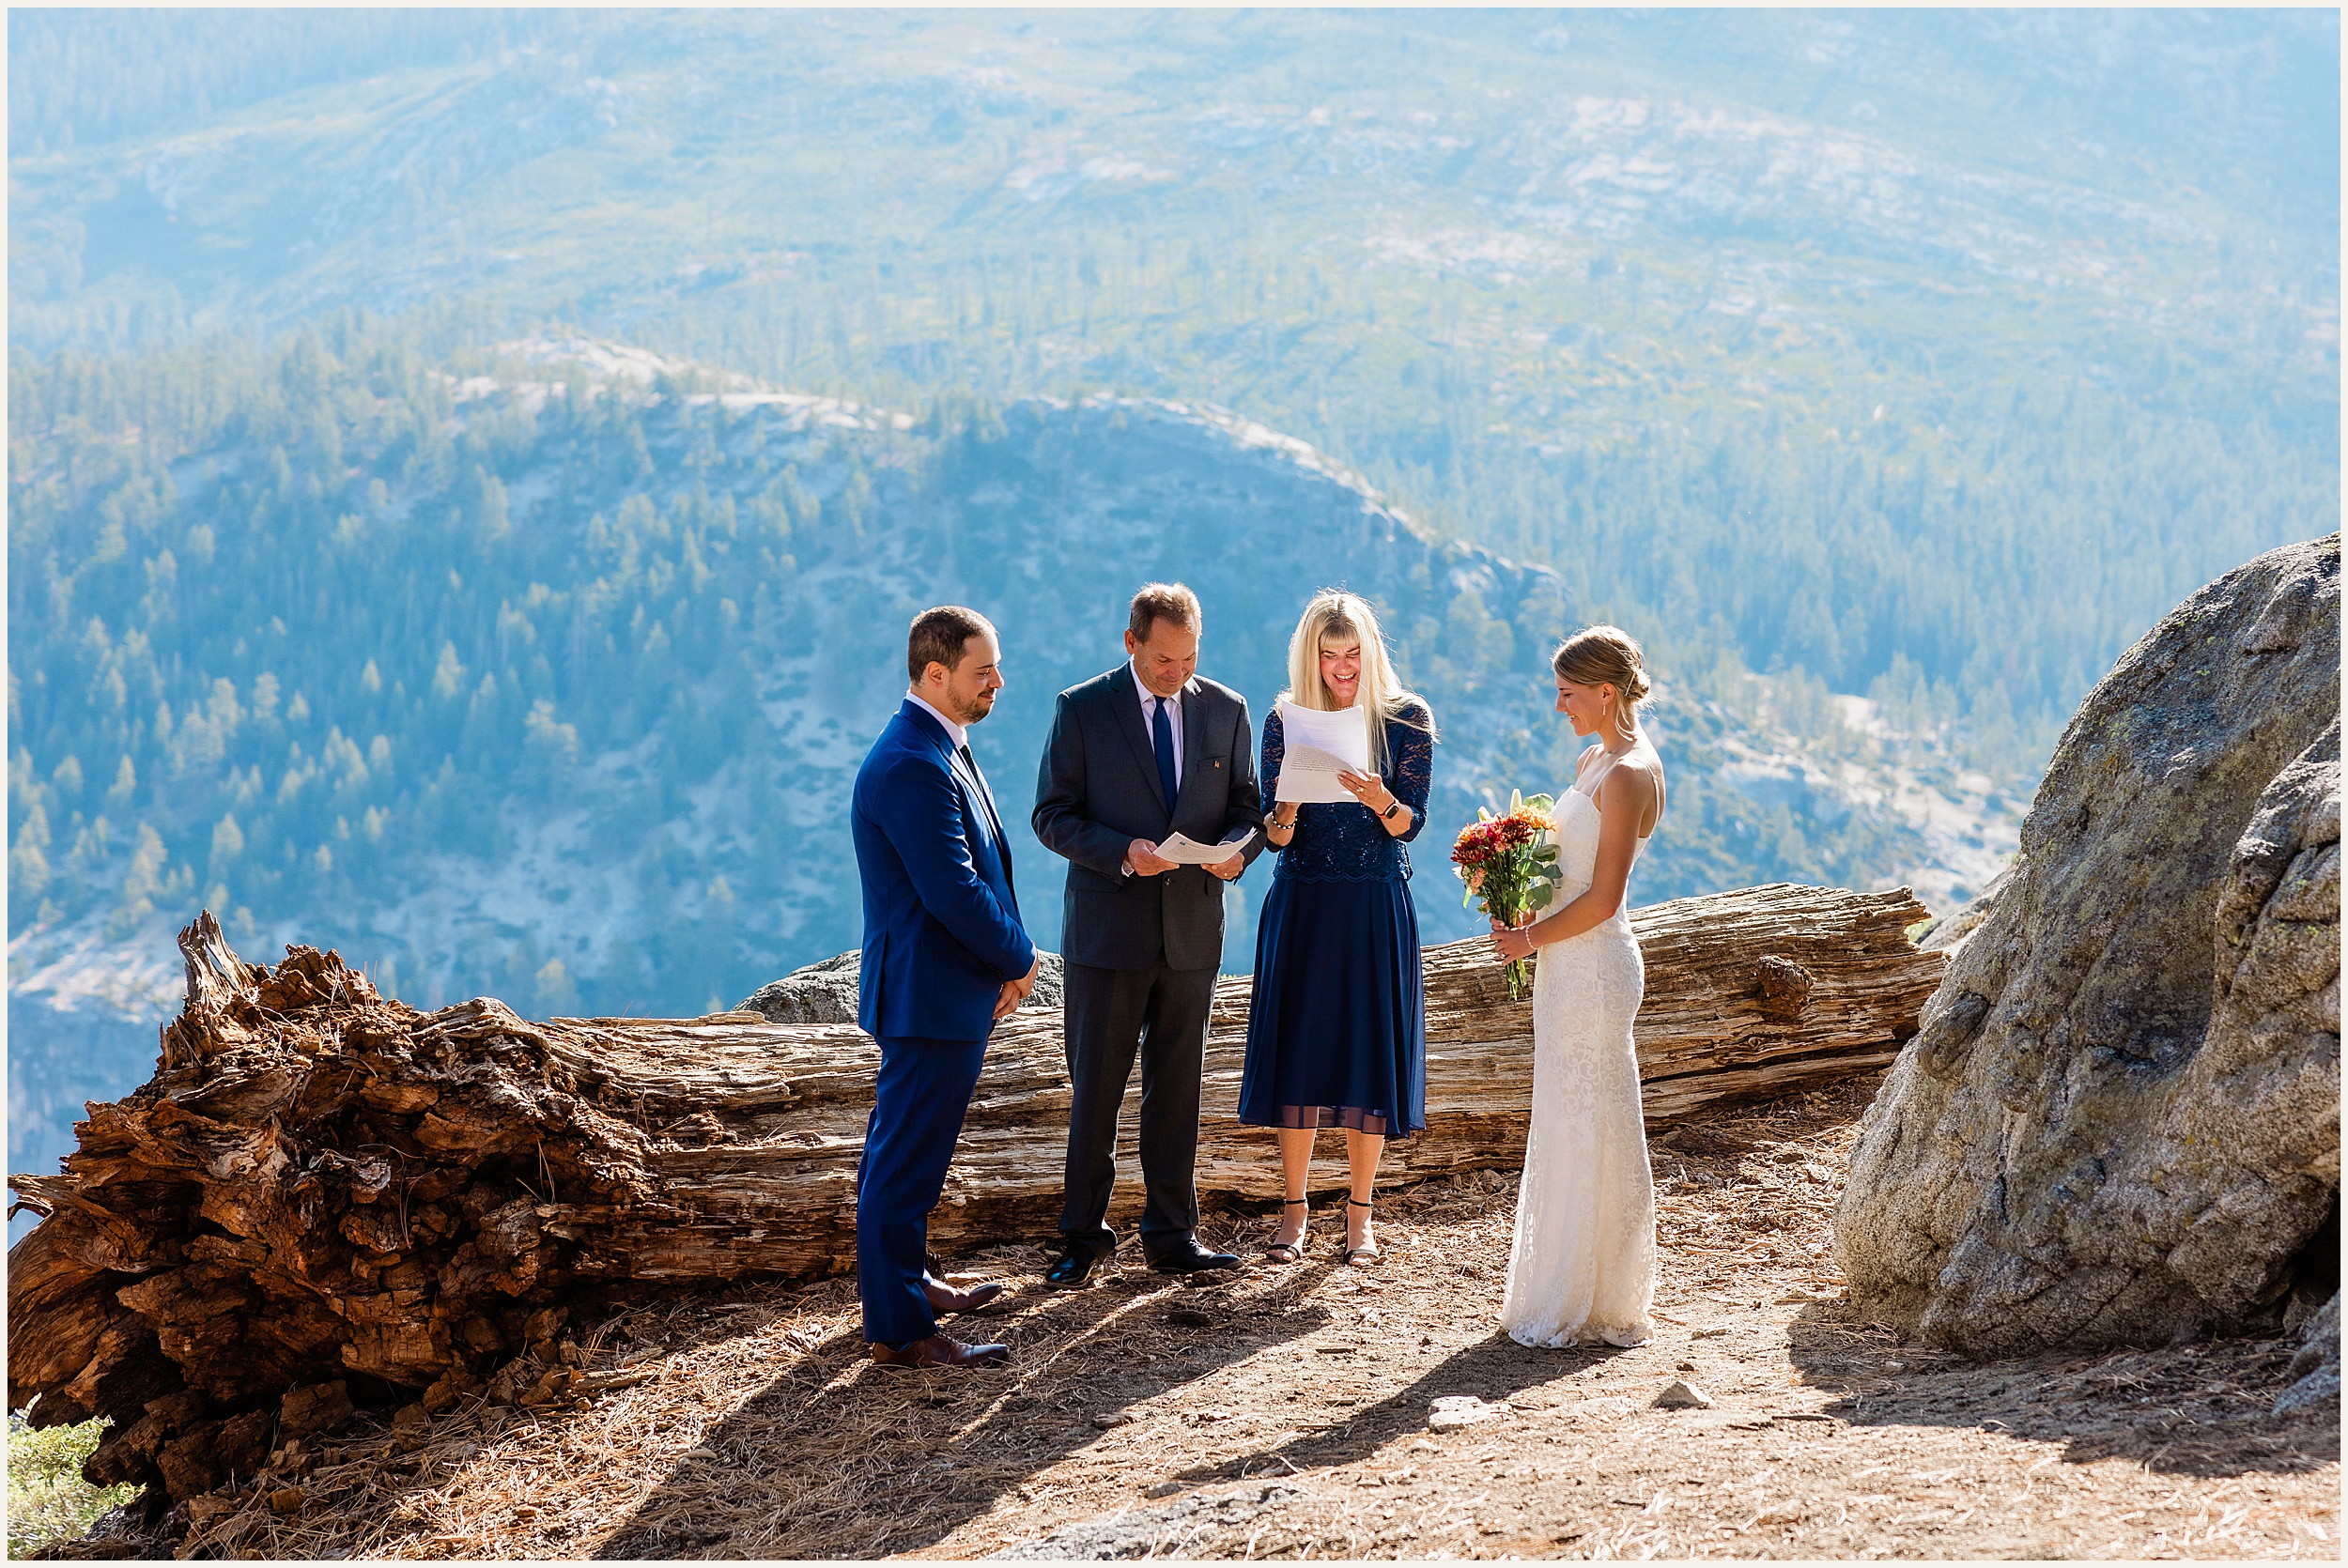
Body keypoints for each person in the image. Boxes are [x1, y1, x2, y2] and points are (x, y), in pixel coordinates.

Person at [1031, 583, 1266, 1287]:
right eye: (1165, 659)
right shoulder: (1082, 709)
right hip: (1108, 933)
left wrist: (1237, 850)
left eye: (1190, 657)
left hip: (1193, 933)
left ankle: (1171, 1236)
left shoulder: (1226, 710)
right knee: (1095, 1092)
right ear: (1131, 642)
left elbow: (1249, 809)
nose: (1179, 672)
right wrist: (1123, 852)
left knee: (1179, 1090)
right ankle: (1081, 1239)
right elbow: (1051, 816)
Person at [849, 606, 1042, 1369]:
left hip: (944, 991)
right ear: (935, 675)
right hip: (929, 995)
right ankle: (899, 1330)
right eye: (982, 670)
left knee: (912, 1153)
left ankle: (913, 1281)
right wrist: (1019, 957)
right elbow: (952, 890)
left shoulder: (937, 744)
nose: (999, 680)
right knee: (902, 1162)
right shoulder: (911, 762)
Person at [1239, 591, 1436, 1268]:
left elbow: (1413, 823)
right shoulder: (1282, 721)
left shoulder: (1408, 718)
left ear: (1370, 653)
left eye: (1353, 654)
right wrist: (1285, 807)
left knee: (1365, 1053)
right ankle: (1294, 1213)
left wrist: (1381, 798)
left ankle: (1359, 1216)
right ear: (1311, 657)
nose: (1342, 668)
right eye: (1330, 656)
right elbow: (1276, 833)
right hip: (1303, 900)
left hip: (1373, 902)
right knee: (1300, 1049)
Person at [1490, 625, 1666, 1348]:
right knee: (1566, 1115)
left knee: (1593, 1119)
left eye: (1568, 692)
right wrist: (1519, 893)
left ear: (1605, 691)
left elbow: (1604, 896)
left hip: (1594, 966)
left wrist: (1524, 940)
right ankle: (1569, 1282)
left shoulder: (1629, 773)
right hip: (1567, 964)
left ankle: (1592, 1294)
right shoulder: (1595, 758)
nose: (1559, 705)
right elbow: (1565, 870)